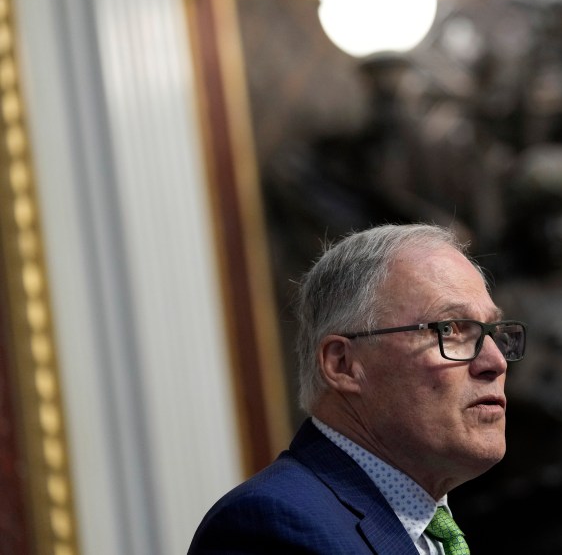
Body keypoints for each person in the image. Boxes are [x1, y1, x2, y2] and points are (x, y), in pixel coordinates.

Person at [189, 223, 527, 554]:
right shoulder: (269, 529)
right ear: (343, 364)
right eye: (450, 329)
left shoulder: (436, 528)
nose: (495, 361)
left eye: (493, 332)